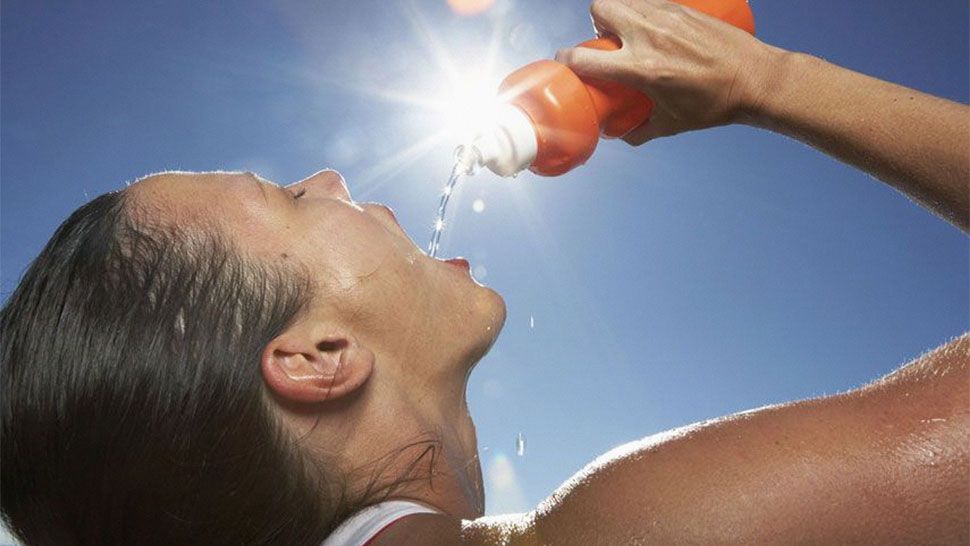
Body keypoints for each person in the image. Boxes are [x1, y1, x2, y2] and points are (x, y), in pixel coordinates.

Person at [0, 0, 966, 544]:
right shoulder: (635, 533)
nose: (332, 175)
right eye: (292, 199)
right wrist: (773, 82)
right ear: (320, 355)